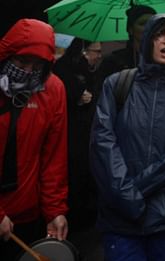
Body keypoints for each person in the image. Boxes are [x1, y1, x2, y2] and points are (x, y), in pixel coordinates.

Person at [90, 14, 165, 261]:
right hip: (119, 217)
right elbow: (103, 143)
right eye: (158, 34)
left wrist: (137, 190)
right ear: (147, 41)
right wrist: (125, 195)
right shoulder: (118, 84)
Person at [0, 19, 68, 260]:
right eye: (21, 61)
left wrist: (54, 210)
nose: (28, 71)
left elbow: (53, 158)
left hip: (27, 214)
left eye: (36, 64)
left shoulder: (53, 90)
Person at [53, 38, 103, 230]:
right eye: (95, 51)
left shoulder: (88, 71)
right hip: (70, 133)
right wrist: (76, 95)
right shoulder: (63, 70)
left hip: (86, 132)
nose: (98, 56)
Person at [96, 5, 156, 84]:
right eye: (142, 24)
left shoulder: (164, 59)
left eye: (152, 23)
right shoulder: (114, 61)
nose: (148, 27)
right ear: (131, 29)